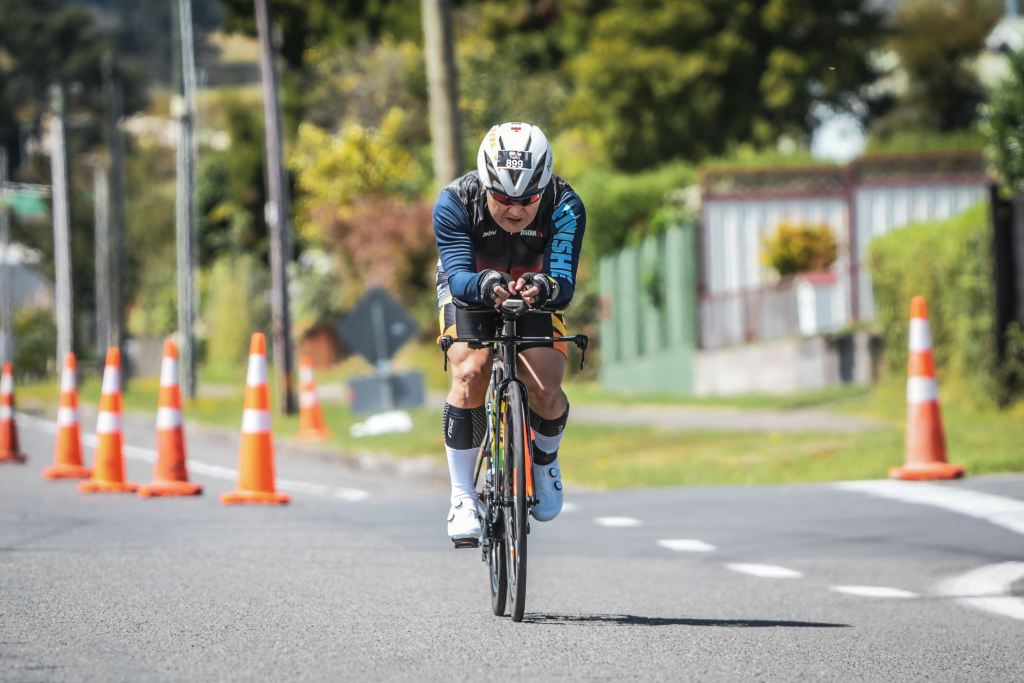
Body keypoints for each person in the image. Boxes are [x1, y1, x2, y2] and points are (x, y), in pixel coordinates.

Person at [432, 121, 586, 546]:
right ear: (485, 184)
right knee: (470, 370)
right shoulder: (454, 202)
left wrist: (543, 287)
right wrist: (485, 284)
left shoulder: (565, 205)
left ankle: (544, 460)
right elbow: (458, 276)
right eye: (502, 198)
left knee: (546, 385)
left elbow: (563, 281)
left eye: (528, 199)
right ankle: (463, 496)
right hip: (471, 284)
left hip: (534, 288)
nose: (515, 210)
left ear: (544, 187)